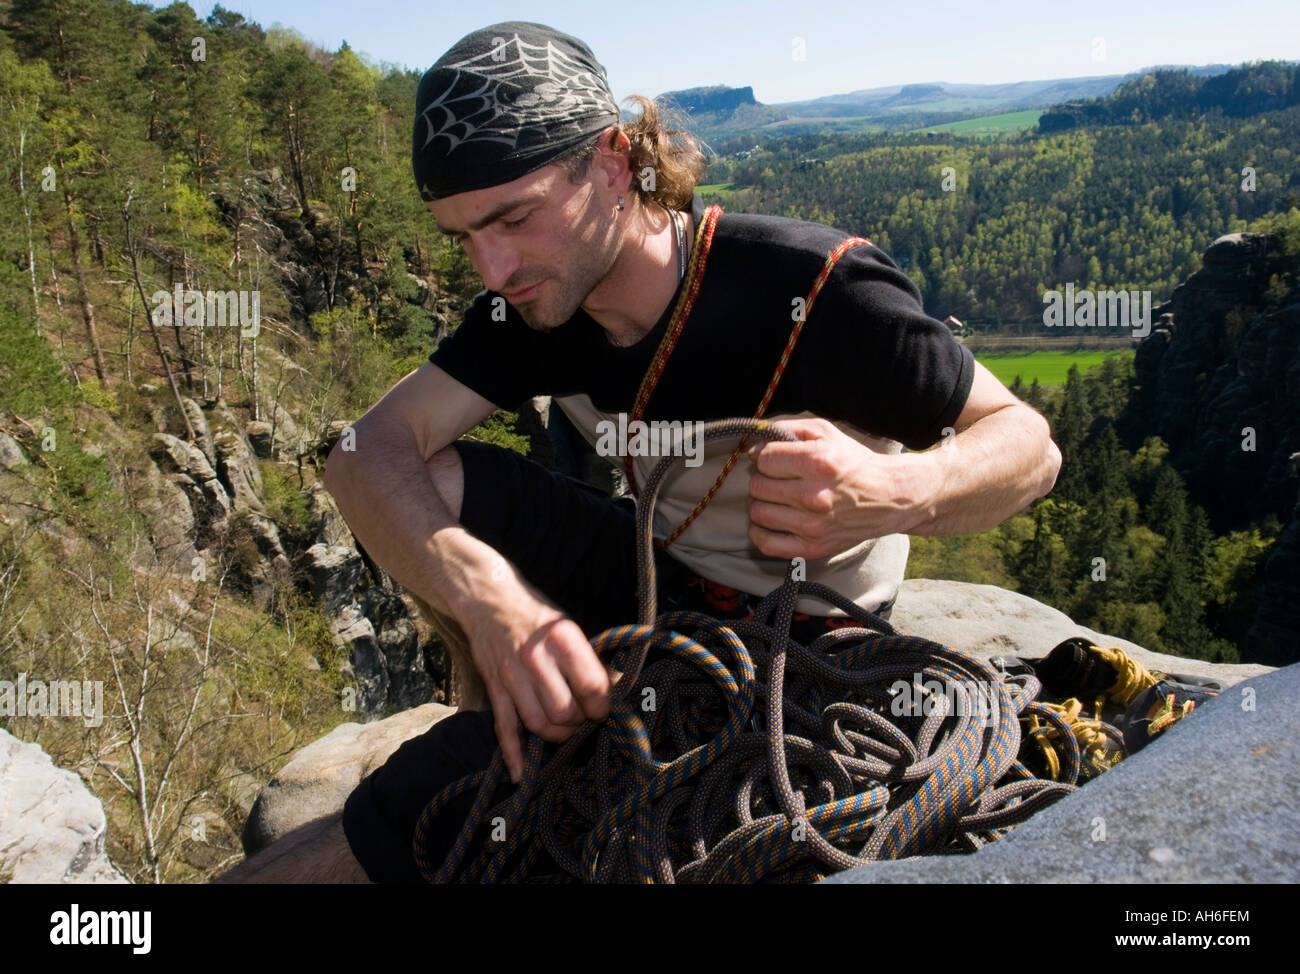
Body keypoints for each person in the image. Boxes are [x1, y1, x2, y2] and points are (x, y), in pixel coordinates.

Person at [219, 20, 1061, 884]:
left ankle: (487, 757)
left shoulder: (814, 289)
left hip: (800, 633)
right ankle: (508, 689)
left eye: (514, 218)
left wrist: (900, 487)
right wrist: (493, 607)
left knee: (437, 804)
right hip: (651, 576)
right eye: (463, 237)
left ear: (614, 163)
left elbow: (1028, 446)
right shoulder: (536, 304)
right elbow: (366, 451)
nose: (493, 268)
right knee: (426, 477)